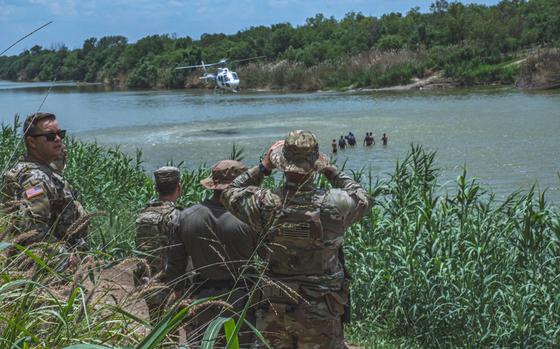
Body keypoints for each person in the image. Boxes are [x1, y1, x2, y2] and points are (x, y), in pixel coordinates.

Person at [221, 130, 371, 348]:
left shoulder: (264, 202)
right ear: (316, 164)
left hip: (275, 306)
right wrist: (331, 171)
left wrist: (263, 167)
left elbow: (229, 192)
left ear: (282, 163)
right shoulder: (334, 204)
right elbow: (363, 198)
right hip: (320, 308)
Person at [167, 160, 258, 347]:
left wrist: (180, 300)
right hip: (241, 296)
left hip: (201, 296)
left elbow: (175, 266)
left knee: (205, 343)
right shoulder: (250, 219)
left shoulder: (186, 216)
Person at [2, 112, 86, 249]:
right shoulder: (35, 180)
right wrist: (65, 257)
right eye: (50, 136)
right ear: (31, 142)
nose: (58, 139)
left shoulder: (40, 170)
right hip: (48, 263)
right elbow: (34, 233)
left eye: (60, 134)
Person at [134, 166, 181, 323]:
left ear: (156, 188)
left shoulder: (144, 214)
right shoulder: (176, 215)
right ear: (178, 188)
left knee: (156, 326)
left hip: (147, 280)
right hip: (170, 283)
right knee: (171, 330)